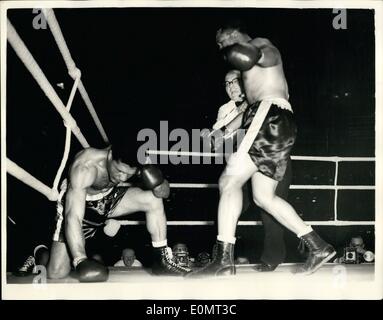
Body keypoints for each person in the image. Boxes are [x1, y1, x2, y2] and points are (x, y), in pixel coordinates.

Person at [188, 22, 335, 277]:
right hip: (278, 119)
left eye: (222, 43)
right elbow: (245, 108)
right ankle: (318, 246)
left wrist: (252, 53)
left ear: (231, 35)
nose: (221, 49)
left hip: (268, 113)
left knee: (229, 182)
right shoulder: (253, 67)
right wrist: (223, 132)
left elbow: (267, 54)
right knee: (263, 197)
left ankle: (223, 259)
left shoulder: (260, 44)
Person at [47, 146, 190, 282]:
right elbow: (73, 216)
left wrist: (158, 183)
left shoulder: (140, 159)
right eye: (119, 171)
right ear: (110, 155)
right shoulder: (85, 165)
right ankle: (39, 251)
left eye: (128, 174)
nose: (122, 178)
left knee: (153, 199)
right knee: (56, 273)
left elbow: (164, 194)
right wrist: (80, 260)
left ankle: (161, 260)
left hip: (109, 200)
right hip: (81, 205)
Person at [211, 70, 291, 271]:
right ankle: (221, 257)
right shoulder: (225, 109)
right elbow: (217, 141)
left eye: (235, 81)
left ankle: (272, 259)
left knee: (270, 208)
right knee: (226, 207)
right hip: (241, 165)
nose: (231, 87)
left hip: (272, 158)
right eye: (227, 84)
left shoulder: (265, 97)